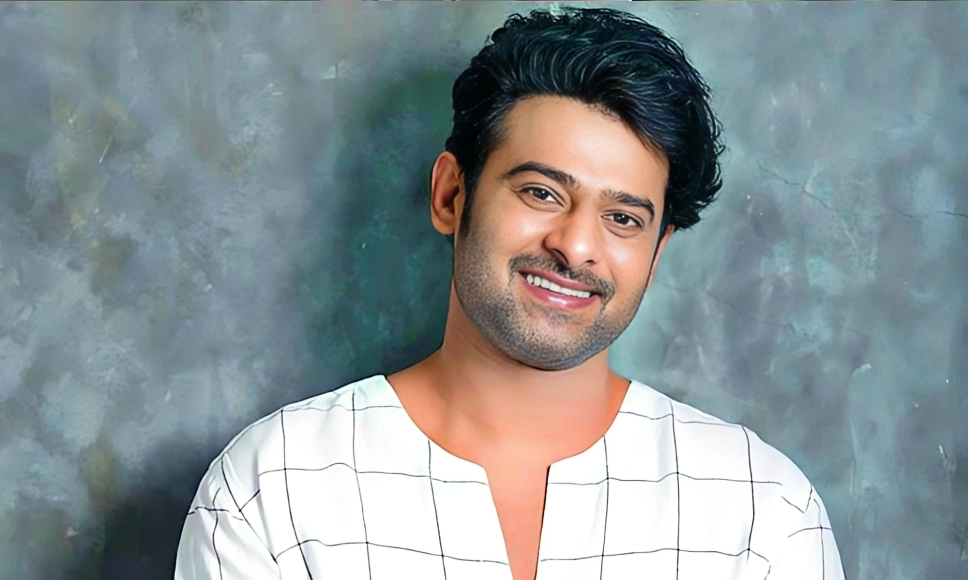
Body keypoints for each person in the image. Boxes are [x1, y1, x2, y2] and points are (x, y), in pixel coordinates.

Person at [175, 7, 844, 580]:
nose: (575, 246)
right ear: (451, 195)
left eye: (622, 218)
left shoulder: (760, 514)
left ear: (657, 249)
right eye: (541, 193)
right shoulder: (275, 490)